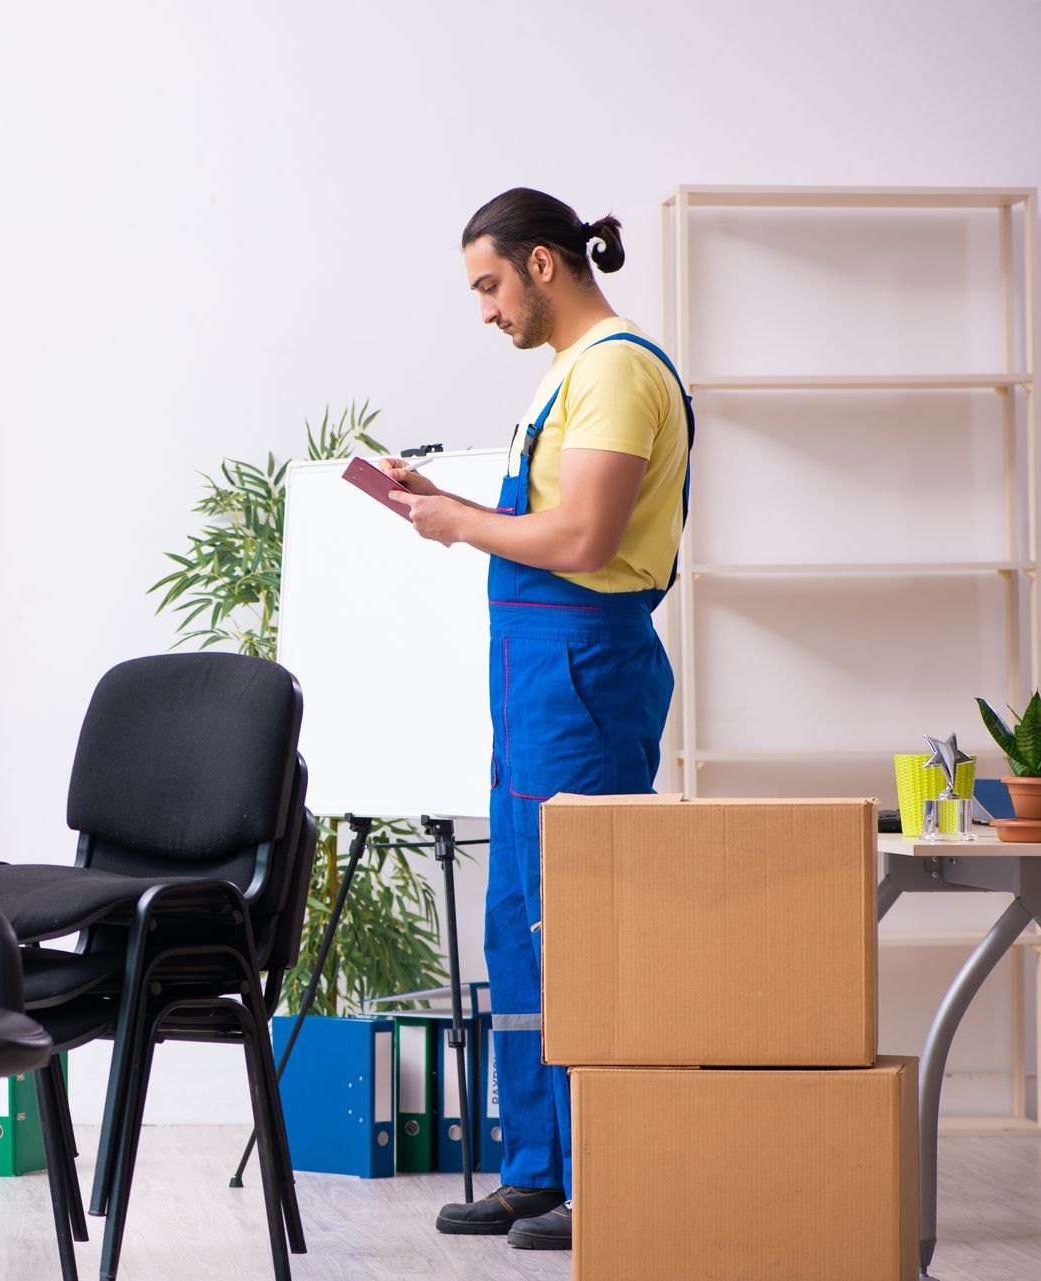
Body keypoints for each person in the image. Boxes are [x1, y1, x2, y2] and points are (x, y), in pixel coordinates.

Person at [383, 187, 693, 1252]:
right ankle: (536, 1169)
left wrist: (460, 522)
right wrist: (447, 503)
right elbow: (543, 520)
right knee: (522, 915)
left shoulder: (617, 369)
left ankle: (601, 1174)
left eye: (489, 284)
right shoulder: (566, 377)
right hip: (532, 675)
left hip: (585, 668)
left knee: (585, 925)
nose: (484, 310)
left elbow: (585, 538)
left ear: (545, 264)